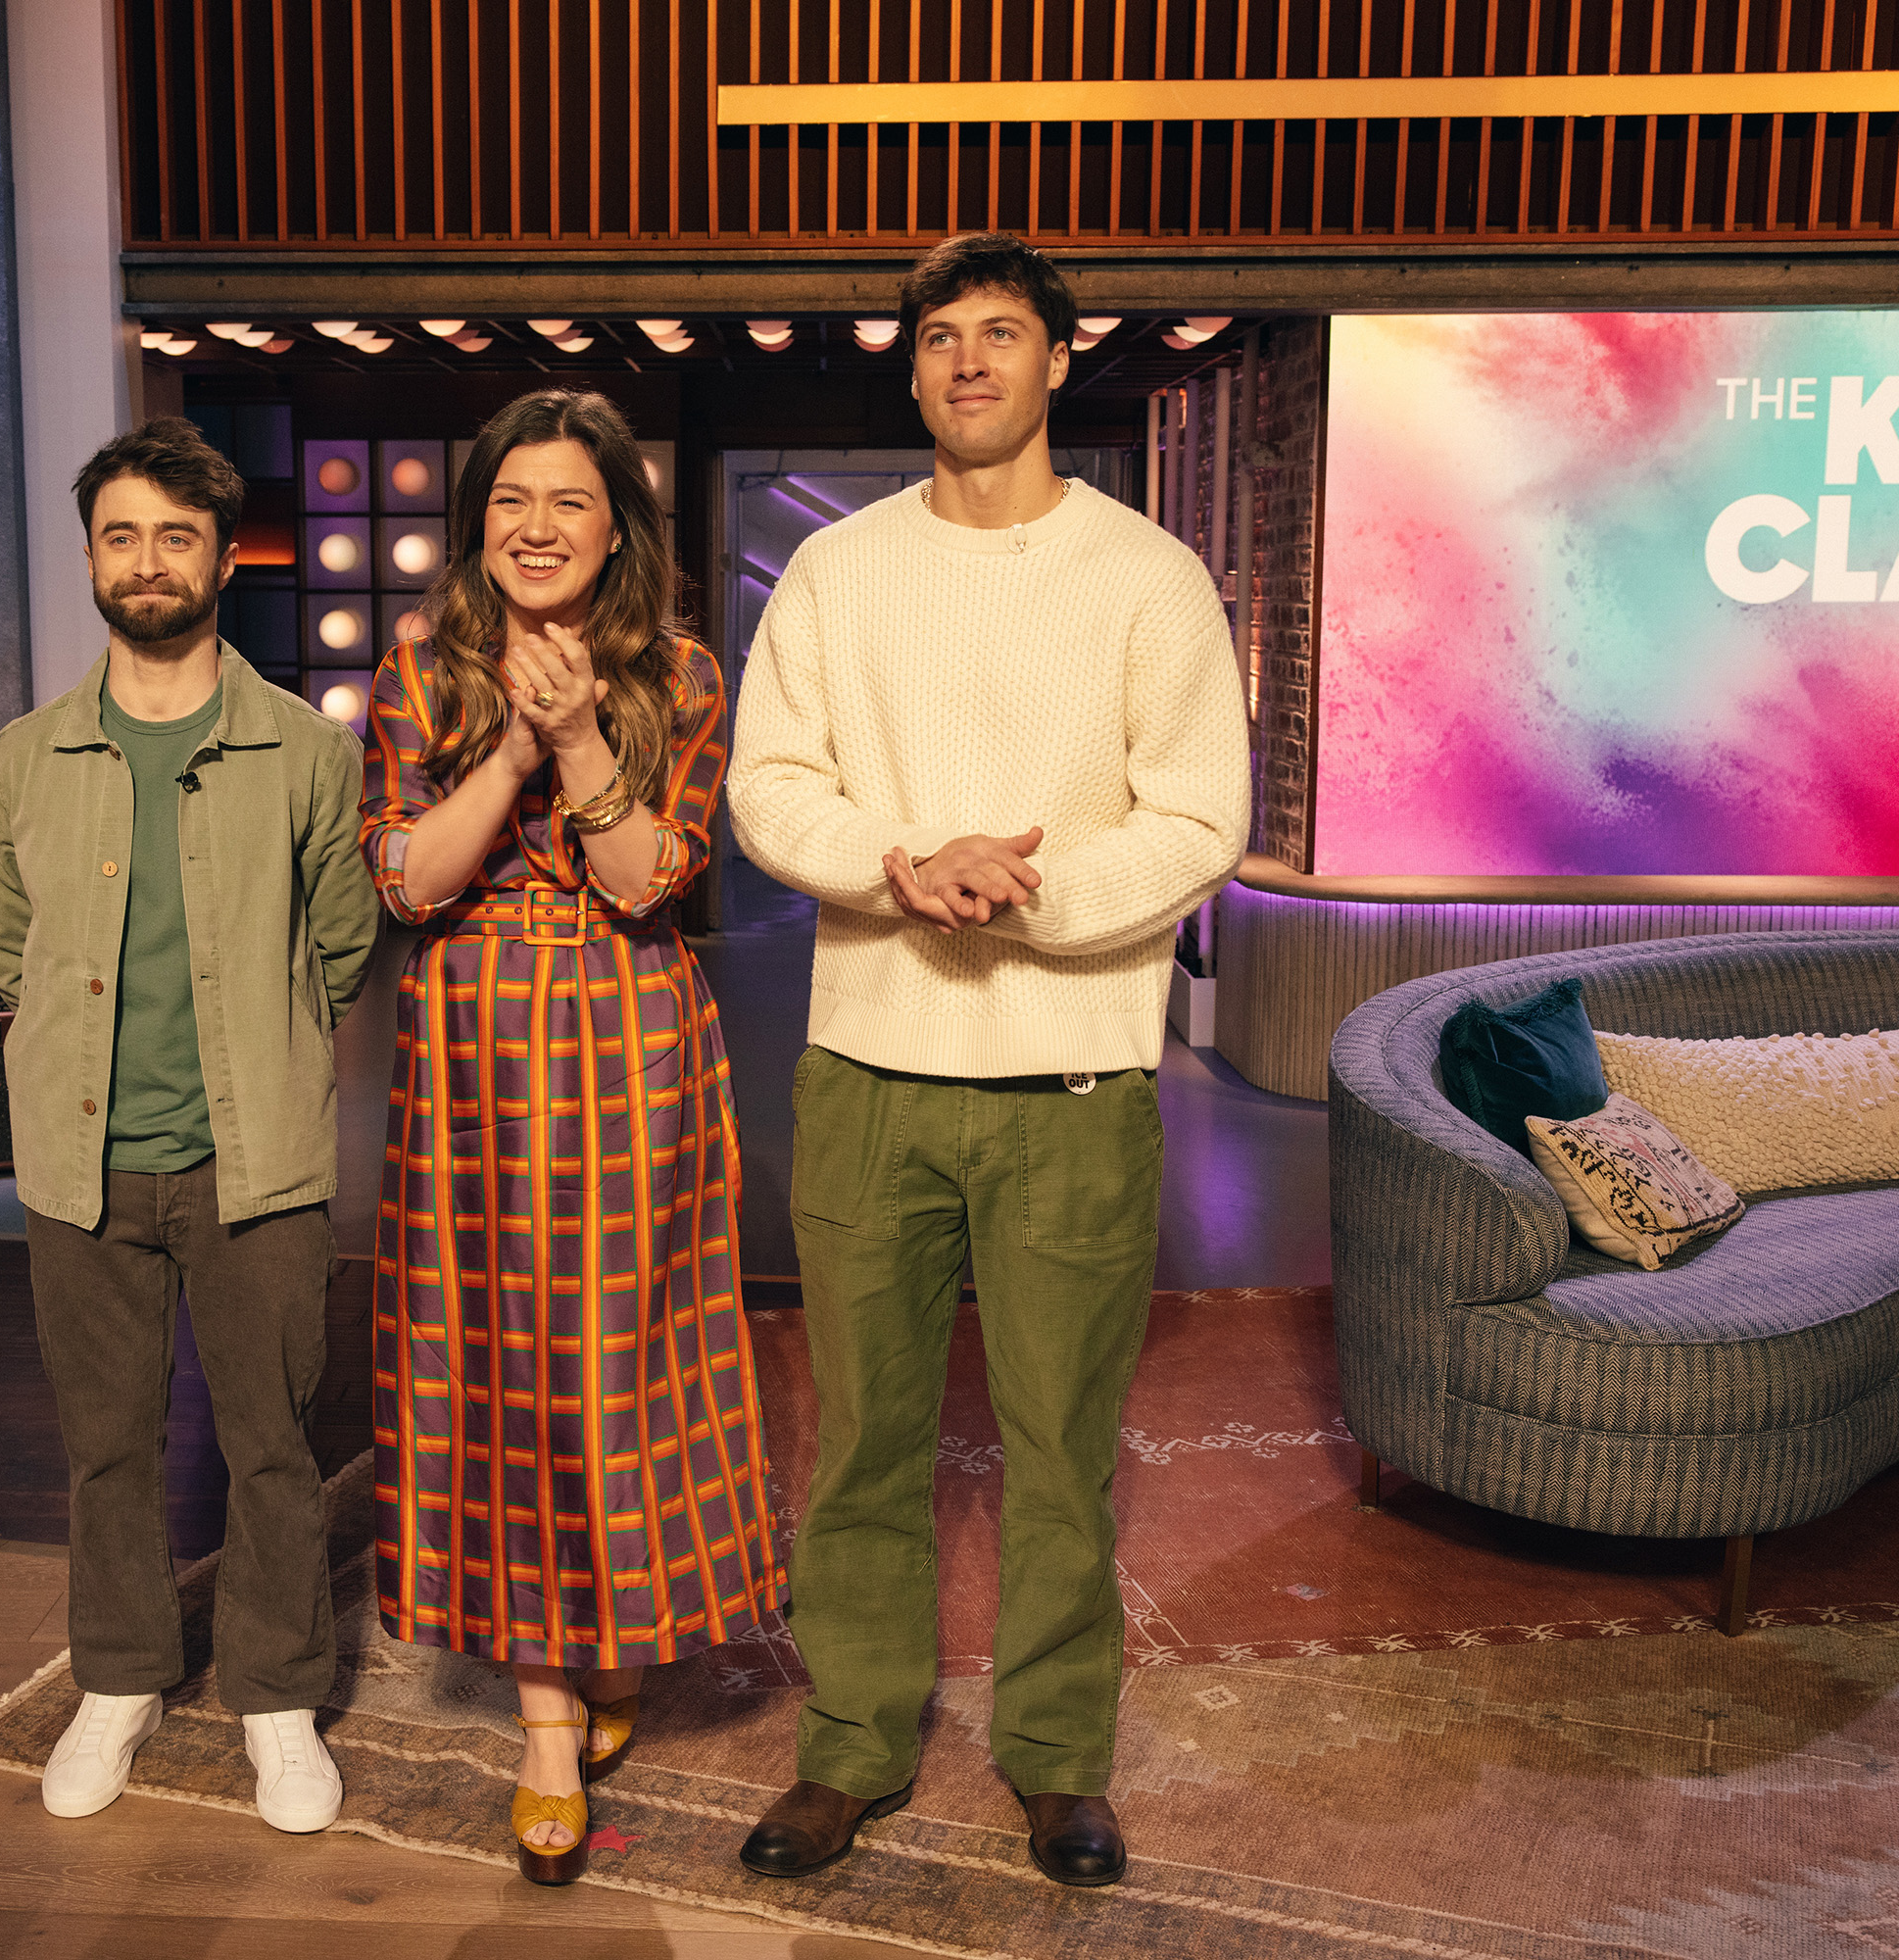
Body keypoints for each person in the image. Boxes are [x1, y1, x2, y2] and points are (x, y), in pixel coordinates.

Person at [723, 233, 1250, 1887]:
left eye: (1000, 334)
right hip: (868, 1069)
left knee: (1059, 1449)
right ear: (914, 367)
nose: (967, 362)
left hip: (1075, 1086)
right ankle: (853, 1747)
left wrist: (1023, 900)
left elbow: (1199, 816)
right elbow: (768, 783)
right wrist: (903, 861)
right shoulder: (837, 574)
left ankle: (1055, 1762)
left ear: (1056, 360)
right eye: (940, 336)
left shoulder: (1148, 577)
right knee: (863, 1440)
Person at [361, 388, 785, 1886]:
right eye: (510, 505)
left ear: (619, 530)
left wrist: (591, 727)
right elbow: (409, 884)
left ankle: (611, 1636)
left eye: (571, 505)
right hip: (470, 1054)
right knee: (495, 1369)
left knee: (616, 1365)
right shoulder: (421, 673)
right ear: (479, 527)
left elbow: (651, 878)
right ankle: (548, 1725)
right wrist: (521, 751)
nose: (538, 529)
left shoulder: (680, 672)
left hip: (628, 1050)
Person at [0, 418, 379, 1833]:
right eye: (121, 535)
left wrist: (258, 1062)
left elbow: (341, 943)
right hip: (79, 1168)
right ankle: (122, 1681)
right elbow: (8, 943)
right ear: (93, 555)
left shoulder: (303, 755)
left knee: (272, 1442)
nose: (147, 563)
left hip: (254, 1163)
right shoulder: (25, 758)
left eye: (177, 536)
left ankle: (276, 1701)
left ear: (225, 556)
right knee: (106, 1444)